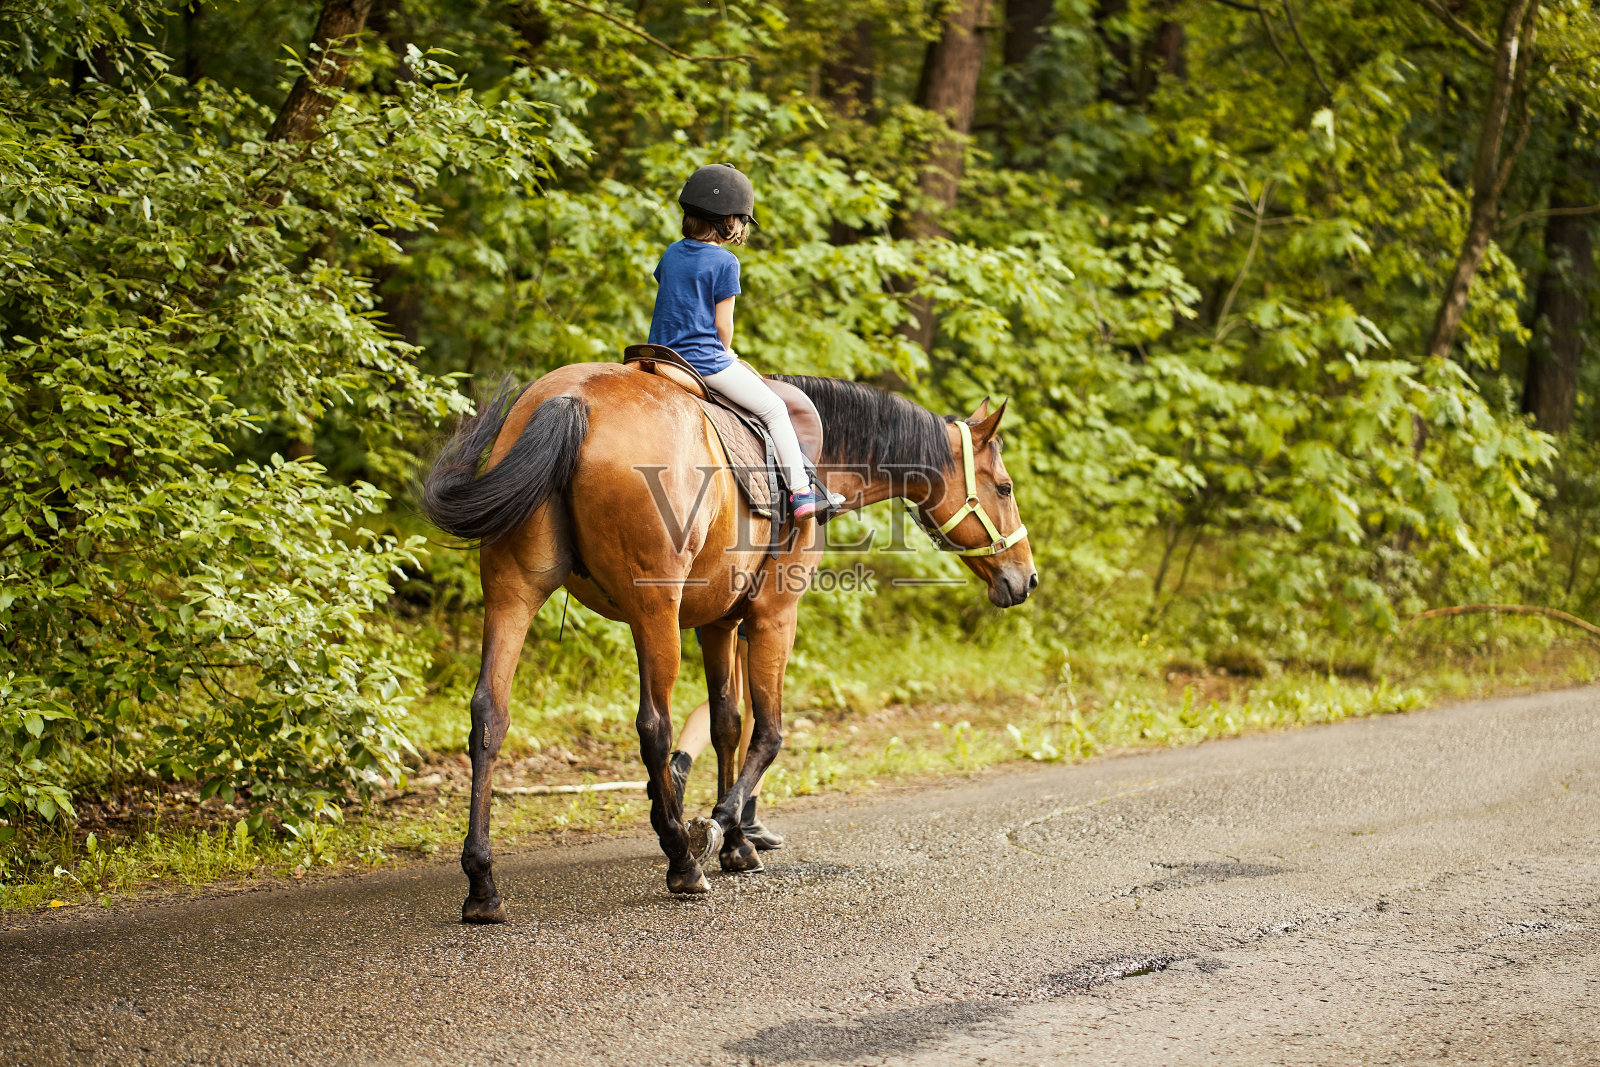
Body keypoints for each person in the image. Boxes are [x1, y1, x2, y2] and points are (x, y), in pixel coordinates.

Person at [649, 163, 824, 518]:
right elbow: (722, 326)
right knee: (775, 410)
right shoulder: (725, 262)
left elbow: (674, 303)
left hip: (661, 354)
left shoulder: (671, 252)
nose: (743, 227)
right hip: (702, 361)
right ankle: (802, 492)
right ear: (728, 220)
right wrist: (725, 351)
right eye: (742, 220)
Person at [670, 625, 783, 849]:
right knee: (756, 702)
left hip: (713, 605)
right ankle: (747, 817)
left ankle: (679, 765)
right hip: (753, 598)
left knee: (725, 698)